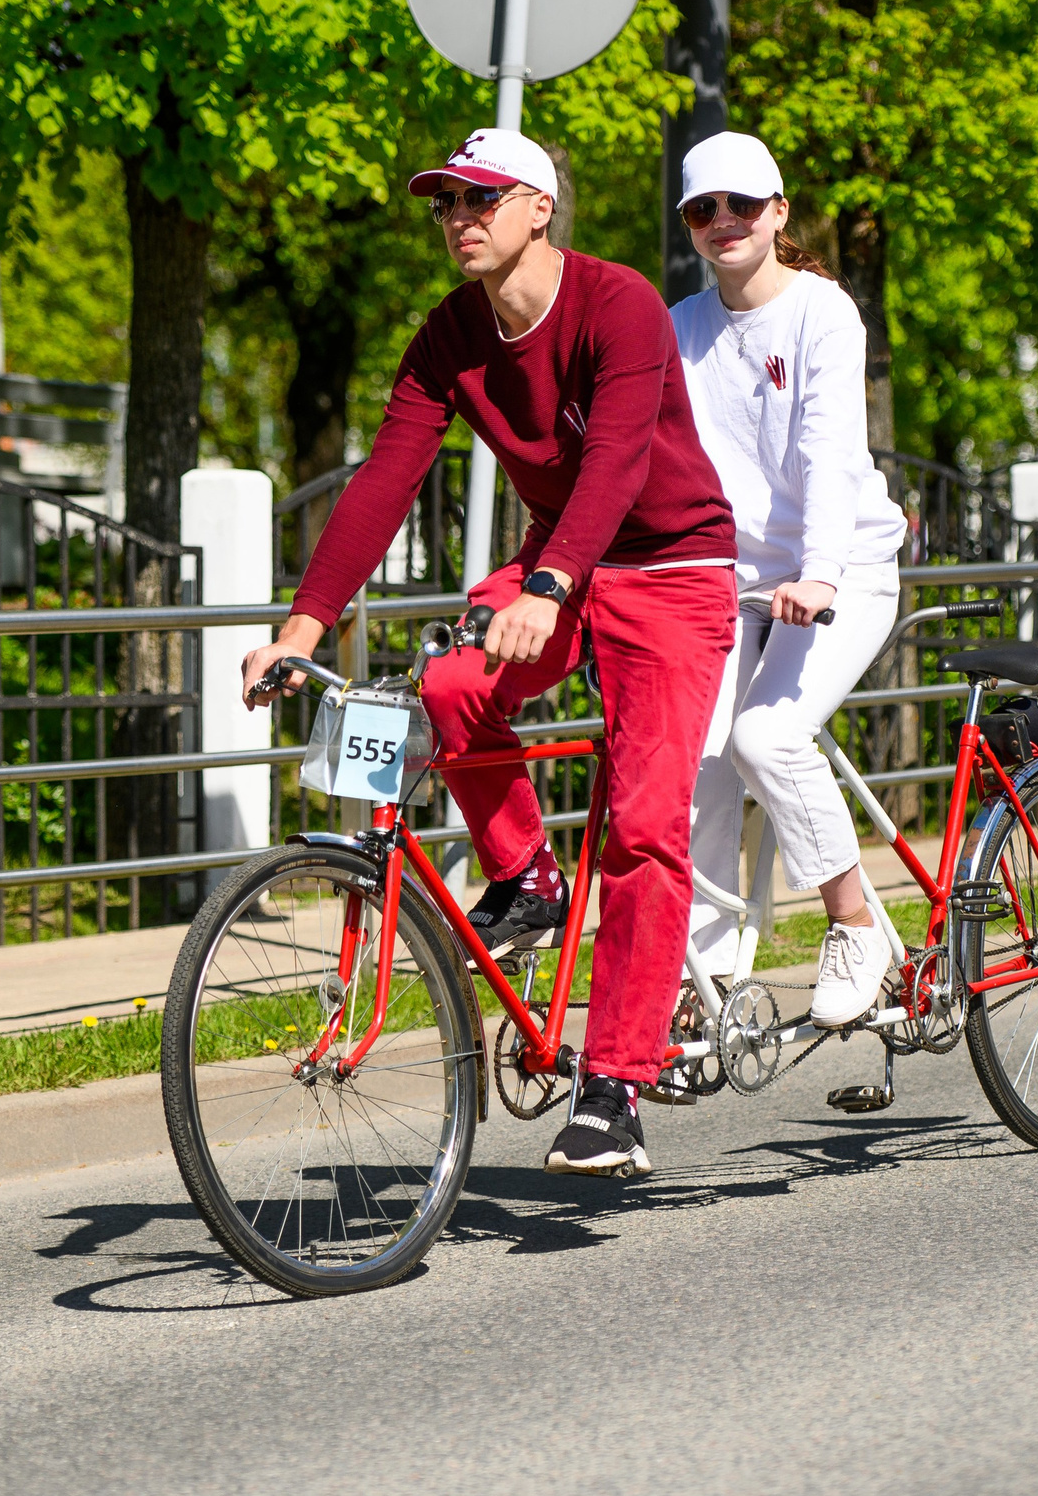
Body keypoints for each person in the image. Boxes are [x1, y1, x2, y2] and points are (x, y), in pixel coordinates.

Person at [240, 127, 738, 1178]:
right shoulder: (449, 336)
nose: (459, 219)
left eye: (481, 199)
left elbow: (614, 458)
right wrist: (300, 627)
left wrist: (549, 587)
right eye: (445, 205)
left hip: (668, 567)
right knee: (452, 681)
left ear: (538, 208)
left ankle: (616, 1086)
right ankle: (528, 876)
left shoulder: (618, 303)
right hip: (559, 562)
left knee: (647, 824)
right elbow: (384, 478)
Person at [671, 132, 910, 1026]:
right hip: (732, 586)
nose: (723, 222)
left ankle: (854, 924)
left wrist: (818, 574)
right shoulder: (682, 329)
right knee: (699, 762)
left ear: (778, 212)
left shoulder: (823, 313)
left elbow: (829, 456)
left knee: (767, 739)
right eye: (704, 209)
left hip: (840, 568)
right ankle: (708, 985)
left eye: (741, 204)